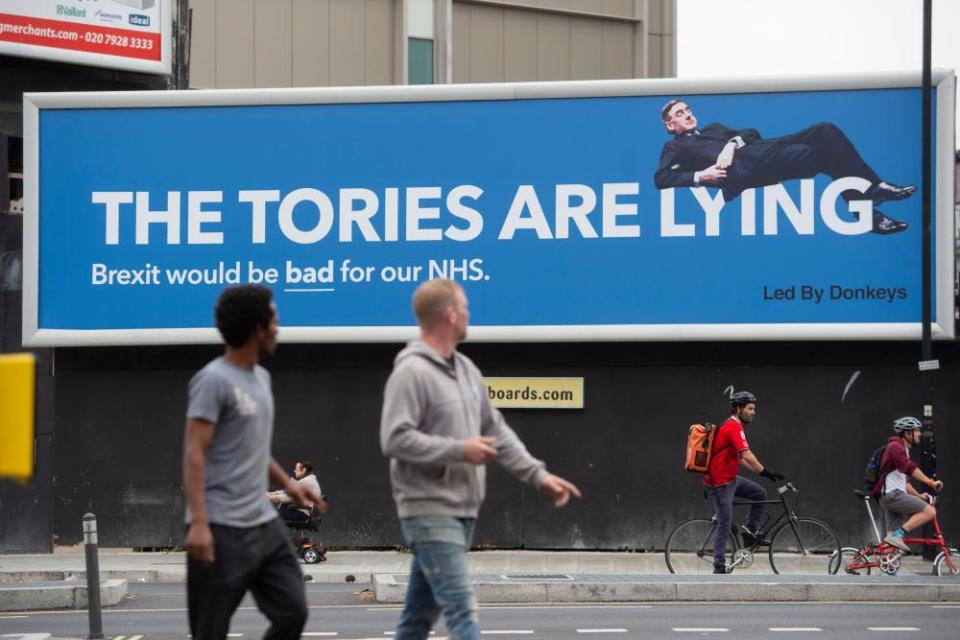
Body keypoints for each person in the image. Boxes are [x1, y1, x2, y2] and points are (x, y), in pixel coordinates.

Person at [380, 278, 582, 640]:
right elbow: (394, 438)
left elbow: (497, 432)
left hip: (463, 510)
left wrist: (539, 476)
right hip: (428, 509)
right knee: (462, 610)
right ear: (449, 314)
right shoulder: (411, 372)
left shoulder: (467, 371)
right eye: (466, 307)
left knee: (416, 619)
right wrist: (460, 449)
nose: (470, 314)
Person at [182, 284, 325, 640]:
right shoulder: (213, 380)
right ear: (258, 329)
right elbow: (194, 451)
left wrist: (292, 487)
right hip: (220, 527)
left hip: (263, 525)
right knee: (209, 632)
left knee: (293, 611)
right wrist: (199, 524)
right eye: (274, 319)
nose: (278, 327)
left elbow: (255, 449)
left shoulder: (262, 379)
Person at [653, 99, 915, 234]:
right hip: (749, 171)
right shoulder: (674, 147)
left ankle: (867, 215)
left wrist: (731, 144)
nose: (687, 114)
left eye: (687, 109)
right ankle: (872, 189)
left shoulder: (713, 129)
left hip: (767, 150)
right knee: (824, 133)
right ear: (669, 125)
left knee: (826, 148)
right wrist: (702, 176)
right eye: (679, 113)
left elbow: (750, 132)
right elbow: (662, 178)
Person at [704, 390, 785, 575]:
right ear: (738, 409)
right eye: (750, 408)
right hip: (720, 483)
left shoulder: (734, 426)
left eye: (754, 408)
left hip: (730, 479)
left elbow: (741, 458)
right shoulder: (733, 426)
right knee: (724, 523)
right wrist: (764, 471)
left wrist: (764, 473)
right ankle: (718, 567)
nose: (753, 412)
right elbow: (747, 454)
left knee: (760, 494)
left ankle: (749, 533)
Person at [876, 416, 944, 553]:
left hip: (892, 495)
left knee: (891, 546)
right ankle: (899, 535)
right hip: (893, 495)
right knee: (930, 511)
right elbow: (910, 468)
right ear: (907, 433)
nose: (919, 433)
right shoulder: (895, 447)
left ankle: (887, 568)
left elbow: (904, 482)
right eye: (917, 430)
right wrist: (930, 482)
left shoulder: (902, 449)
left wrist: (918, 495)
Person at [268, 460, 326, 525]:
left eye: (296, 469)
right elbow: (290, 491)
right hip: (305, 511)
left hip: (302, 513)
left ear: (303, 470)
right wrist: (271, 494)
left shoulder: (306, 482)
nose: (295, 471)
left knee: (271, 516)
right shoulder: (310, 480)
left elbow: (287, 497)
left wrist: (268, 497)